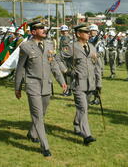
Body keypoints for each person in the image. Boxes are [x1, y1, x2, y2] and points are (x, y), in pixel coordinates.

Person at [15, 21, 67, 157]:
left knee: (41, 114)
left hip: (46, 86)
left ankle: (32, 134)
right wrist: (18, 87)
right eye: (40, 28)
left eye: (44, 28)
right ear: (33, 32)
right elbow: (20, 68)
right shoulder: (25, 47)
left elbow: (54, 64)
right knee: (38, 115)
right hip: (33, 86)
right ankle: (45, 146)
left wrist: (61, 81)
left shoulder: (49, 45)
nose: (44, 30)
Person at [60, 24, 102, 145]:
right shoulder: (71, 47)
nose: (89, 34)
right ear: (78, 34)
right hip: (78, 83)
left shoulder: (92, 47)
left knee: (84, 108)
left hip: (91, 84)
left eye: (89, 32)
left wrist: (99, 84)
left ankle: (77, 126)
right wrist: (67, 71)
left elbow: (97, 66)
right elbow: (58, 58)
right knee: (83, 107)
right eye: (86, 32)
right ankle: (87, 135)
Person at [59, 24, 73, 96]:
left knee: (68, 74)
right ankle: (66, 89)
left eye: (65, 31)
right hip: (62, 58)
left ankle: (69, 90)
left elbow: (70, 49)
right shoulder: (62, 38)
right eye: (63, 31)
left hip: (68, 59)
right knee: (64, 74)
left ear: (67, 31)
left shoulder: (70, 38)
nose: (64, 32)